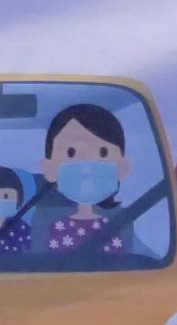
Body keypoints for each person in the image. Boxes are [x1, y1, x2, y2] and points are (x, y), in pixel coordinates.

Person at [40, 103, 129, 254]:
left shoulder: (112, 227)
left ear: (122, 167)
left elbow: (118, 262)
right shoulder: (57, 228)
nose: (86, 163)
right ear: (49, 169)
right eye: (71, 152)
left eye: (103, 152)